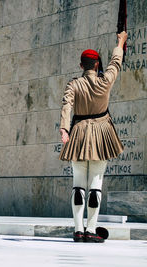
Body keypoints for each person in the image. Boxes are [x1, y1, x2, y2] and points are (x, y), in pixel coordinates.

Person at [59, 31, 128, 242]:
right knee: (95, 184)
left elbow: (67, 105)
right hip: (100, 133)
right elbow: (116, 62)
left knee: (78, 184)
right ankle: (91, 230)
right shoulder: (105, 80)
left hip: (79, 132)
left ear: (81, 66)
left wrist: (64, 128)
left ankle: (78, 230)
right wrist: (120, 42)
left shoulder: (73, 84)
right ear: (97, 64)